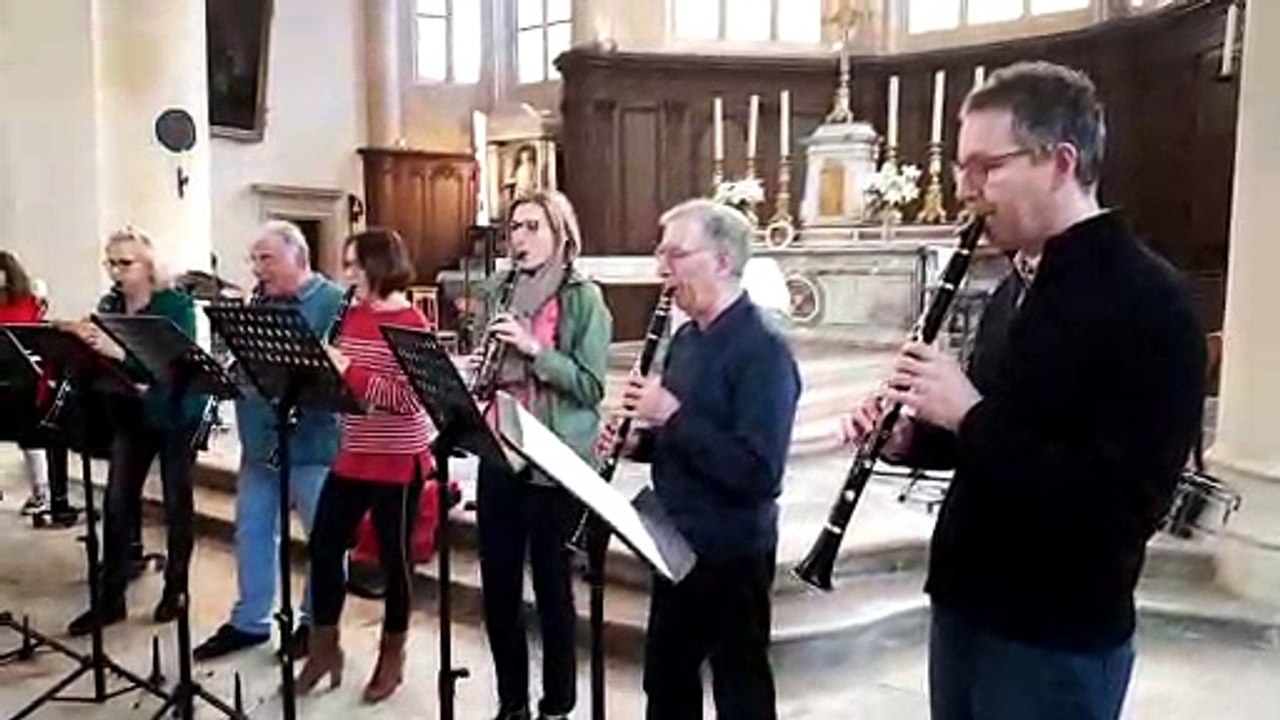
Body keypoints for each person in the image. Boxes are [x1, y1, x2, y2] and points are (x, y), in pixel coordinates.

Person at [840, 62, 1205, 720]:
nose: (966, 191)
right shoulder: (1016, 282)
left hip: (1054, 636)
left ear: (1060, 162)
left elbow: (1121, 509)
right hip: (967, 605)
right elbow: (1003, 434)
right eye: (961, 169)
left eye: (987, 168)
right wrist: (911, 436)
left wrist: (969, 415)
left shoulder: (1151, 302)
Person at [602, 198, 801, 720]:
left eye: (675, 254)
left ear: (721, 260)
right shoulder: (688, 338)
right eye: (660, 254)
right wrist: (635, 444)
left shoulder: (764, 350)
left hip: (732, 551)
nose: (661, 269)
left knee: (742, 689)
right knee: (666, 683)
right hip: (674, 540)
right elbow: (683, 442)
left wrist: (670, 415)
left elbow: (759, 473)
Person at [476, 190, 612, 720]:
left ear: (561, 234)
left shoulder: (584, 299)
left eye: (533, 227)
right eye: (514, 228)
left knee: (554, 591)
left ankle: (557, 704)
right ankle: (512, 704)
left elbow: (591, 385)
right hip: (501, 452)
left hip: (557, 461)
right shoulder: (500, 290)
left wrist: (534, 350)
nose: (521, 238)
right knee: (498, 589)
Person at [194, 221, 346, 661]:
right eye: (255, 260)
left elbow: (341, 378)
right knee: (253, 533)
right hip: (259, 444)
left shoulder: (333, 303)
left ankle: (315, 625)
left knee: (325, 543)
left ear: (299, 258)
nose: (258, 269)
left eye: (268, 259)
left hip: (314, 447)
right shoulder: (259, 301)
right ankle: (250, 621)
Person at [294, 228, 432, 703]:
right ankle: (324, 647)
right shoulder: (348, 314)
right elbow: (347, 384)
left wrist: (348, 371)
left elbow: (409, 400)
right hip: (353, 452)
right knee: (325, 547)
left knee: (395, 564)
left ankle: (392, 655)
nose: (346, 274)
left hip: (397, 458)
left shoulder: (412, 322)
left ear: (378, 266)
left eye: (353, 265)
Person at [67, 228, 209, 636]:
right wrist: (85, 343)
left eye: (125, 263)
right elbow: (114, 366)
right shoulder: (111, 304)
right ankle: (110, 598)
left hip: (176, 413)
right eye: (110, 262)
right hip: (130, 410)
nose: (116, 271)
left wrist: (122, 354)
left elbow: (175, 366)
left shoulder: (175, 306)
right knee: (116, 502)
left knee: (176, 500)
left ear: (149, 266)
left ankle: (176, 589)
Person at [0, 250, 50, 515]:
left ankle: (41, 491)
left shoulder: (26, 301)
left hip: (23, 379)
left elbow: (24, 333)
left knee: (30, 437)